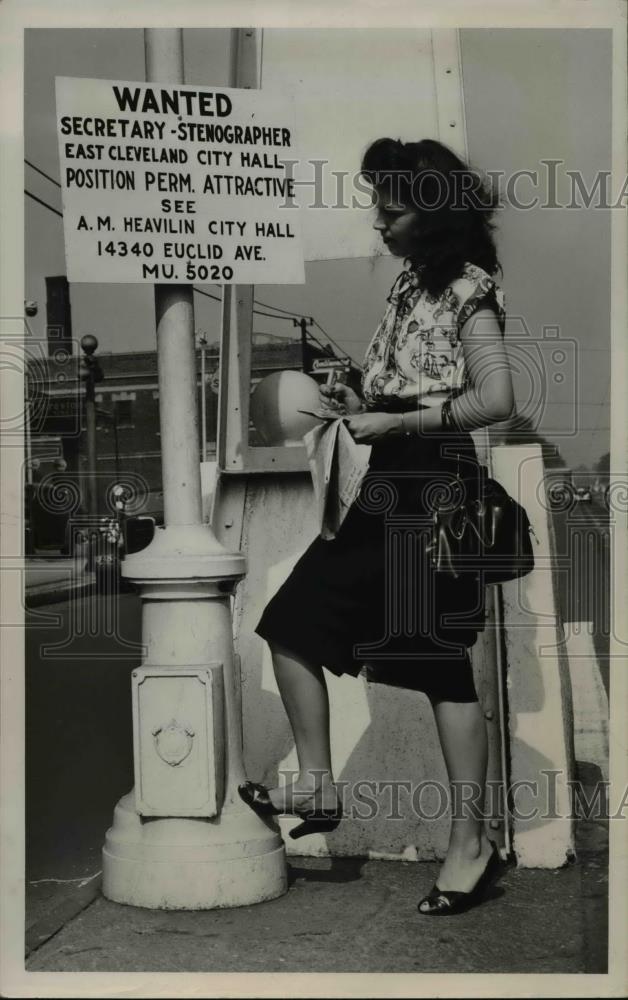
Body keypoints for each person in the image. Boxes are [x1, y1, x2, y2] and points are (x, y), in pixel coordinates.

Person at [239, 138, 514, 915]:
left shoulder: (470, 290)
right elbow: (393, 382)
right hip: (384, 487)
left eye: (389, 210)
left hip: (437, 492)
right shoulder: (404, 288)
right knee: (290, 621)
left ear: (430, 211)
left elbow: (496, 399)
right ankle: (319, 787)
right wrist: (350, 394)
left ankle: (470, 846)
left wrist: (395, 424)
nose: (378, 224)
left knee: (441, 670)